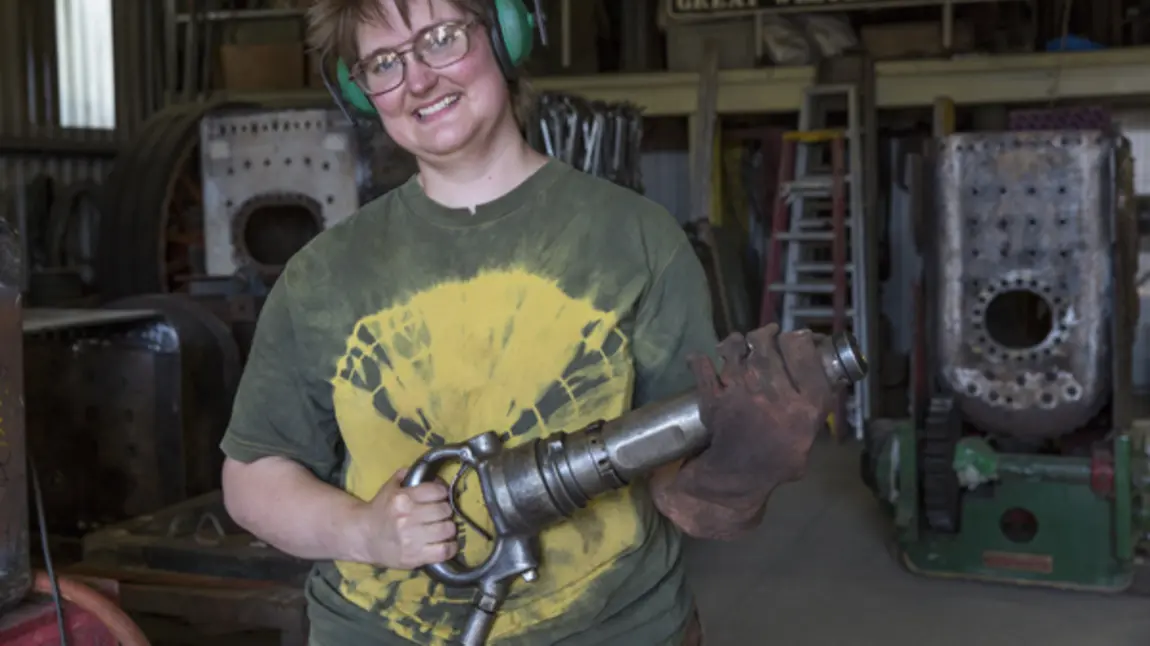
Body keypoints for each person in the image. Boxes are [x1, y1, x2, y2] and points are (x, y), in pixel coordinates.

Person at [219, 0, 837, 645]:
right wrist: (364, 531)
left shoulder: (635, 238)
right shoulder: (322, 273)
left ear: (505, 35)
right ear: (361, 92)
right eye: (384, 63)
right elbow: (254, 476)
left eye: (442, 39)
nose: (420, 80)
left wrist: (738, 474)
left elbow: (679, 484)